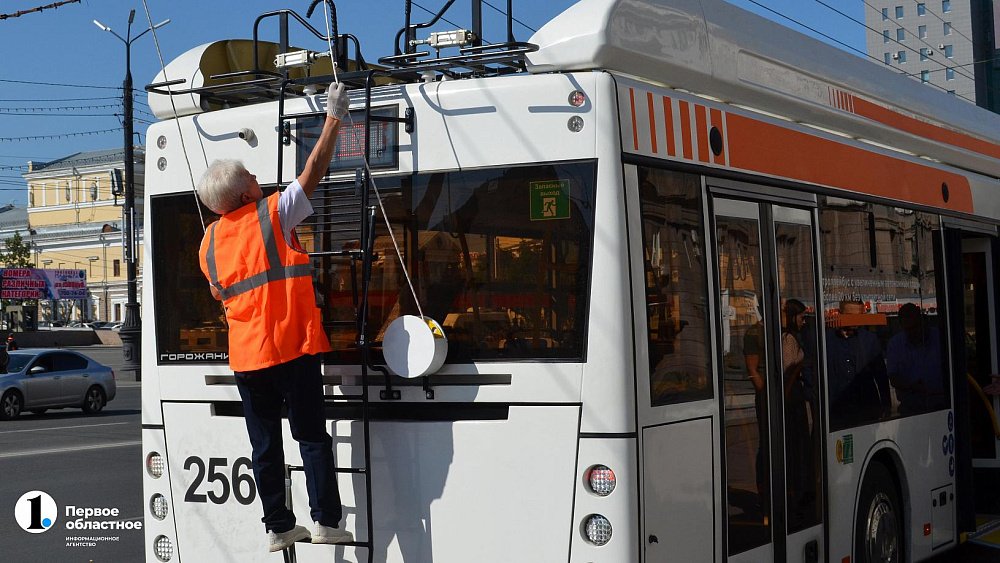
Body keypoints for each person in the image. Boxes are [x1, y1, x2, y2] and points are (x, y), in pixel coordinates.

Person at [197, 82, 352, 552]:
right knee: (311, 437)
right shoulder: (273, 212)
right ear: (245, 189)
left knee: (264, 445)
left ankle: (278, 527)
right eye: (250, 174)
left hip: (247, 360)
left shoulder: (207, 244)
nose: (256, 176)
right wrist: (334, 118)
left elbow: (219, 293)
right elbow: (314, 171)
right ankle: (325, 522)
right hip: (291, 347)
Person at [826, 300, 890, 429]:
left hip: (866, 408)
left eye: (858, 316)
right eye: (850, 316)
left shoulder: (869, 339)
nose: (854, 320)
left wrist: (886, 404)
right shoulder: (826, 340)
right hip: (836, 409)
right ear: (840, 314)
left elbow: (881, 374)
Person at [886, 303, 946, 415]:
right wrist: (913, 387)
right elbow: (893, 378)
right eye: (908, 329)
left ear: (922, 321)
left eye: (915, 327)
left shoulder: (940, 338)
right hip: (911, 407)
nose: (913, 333)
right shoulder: (895, 344)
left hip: (942, 404)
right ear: (902, 326)